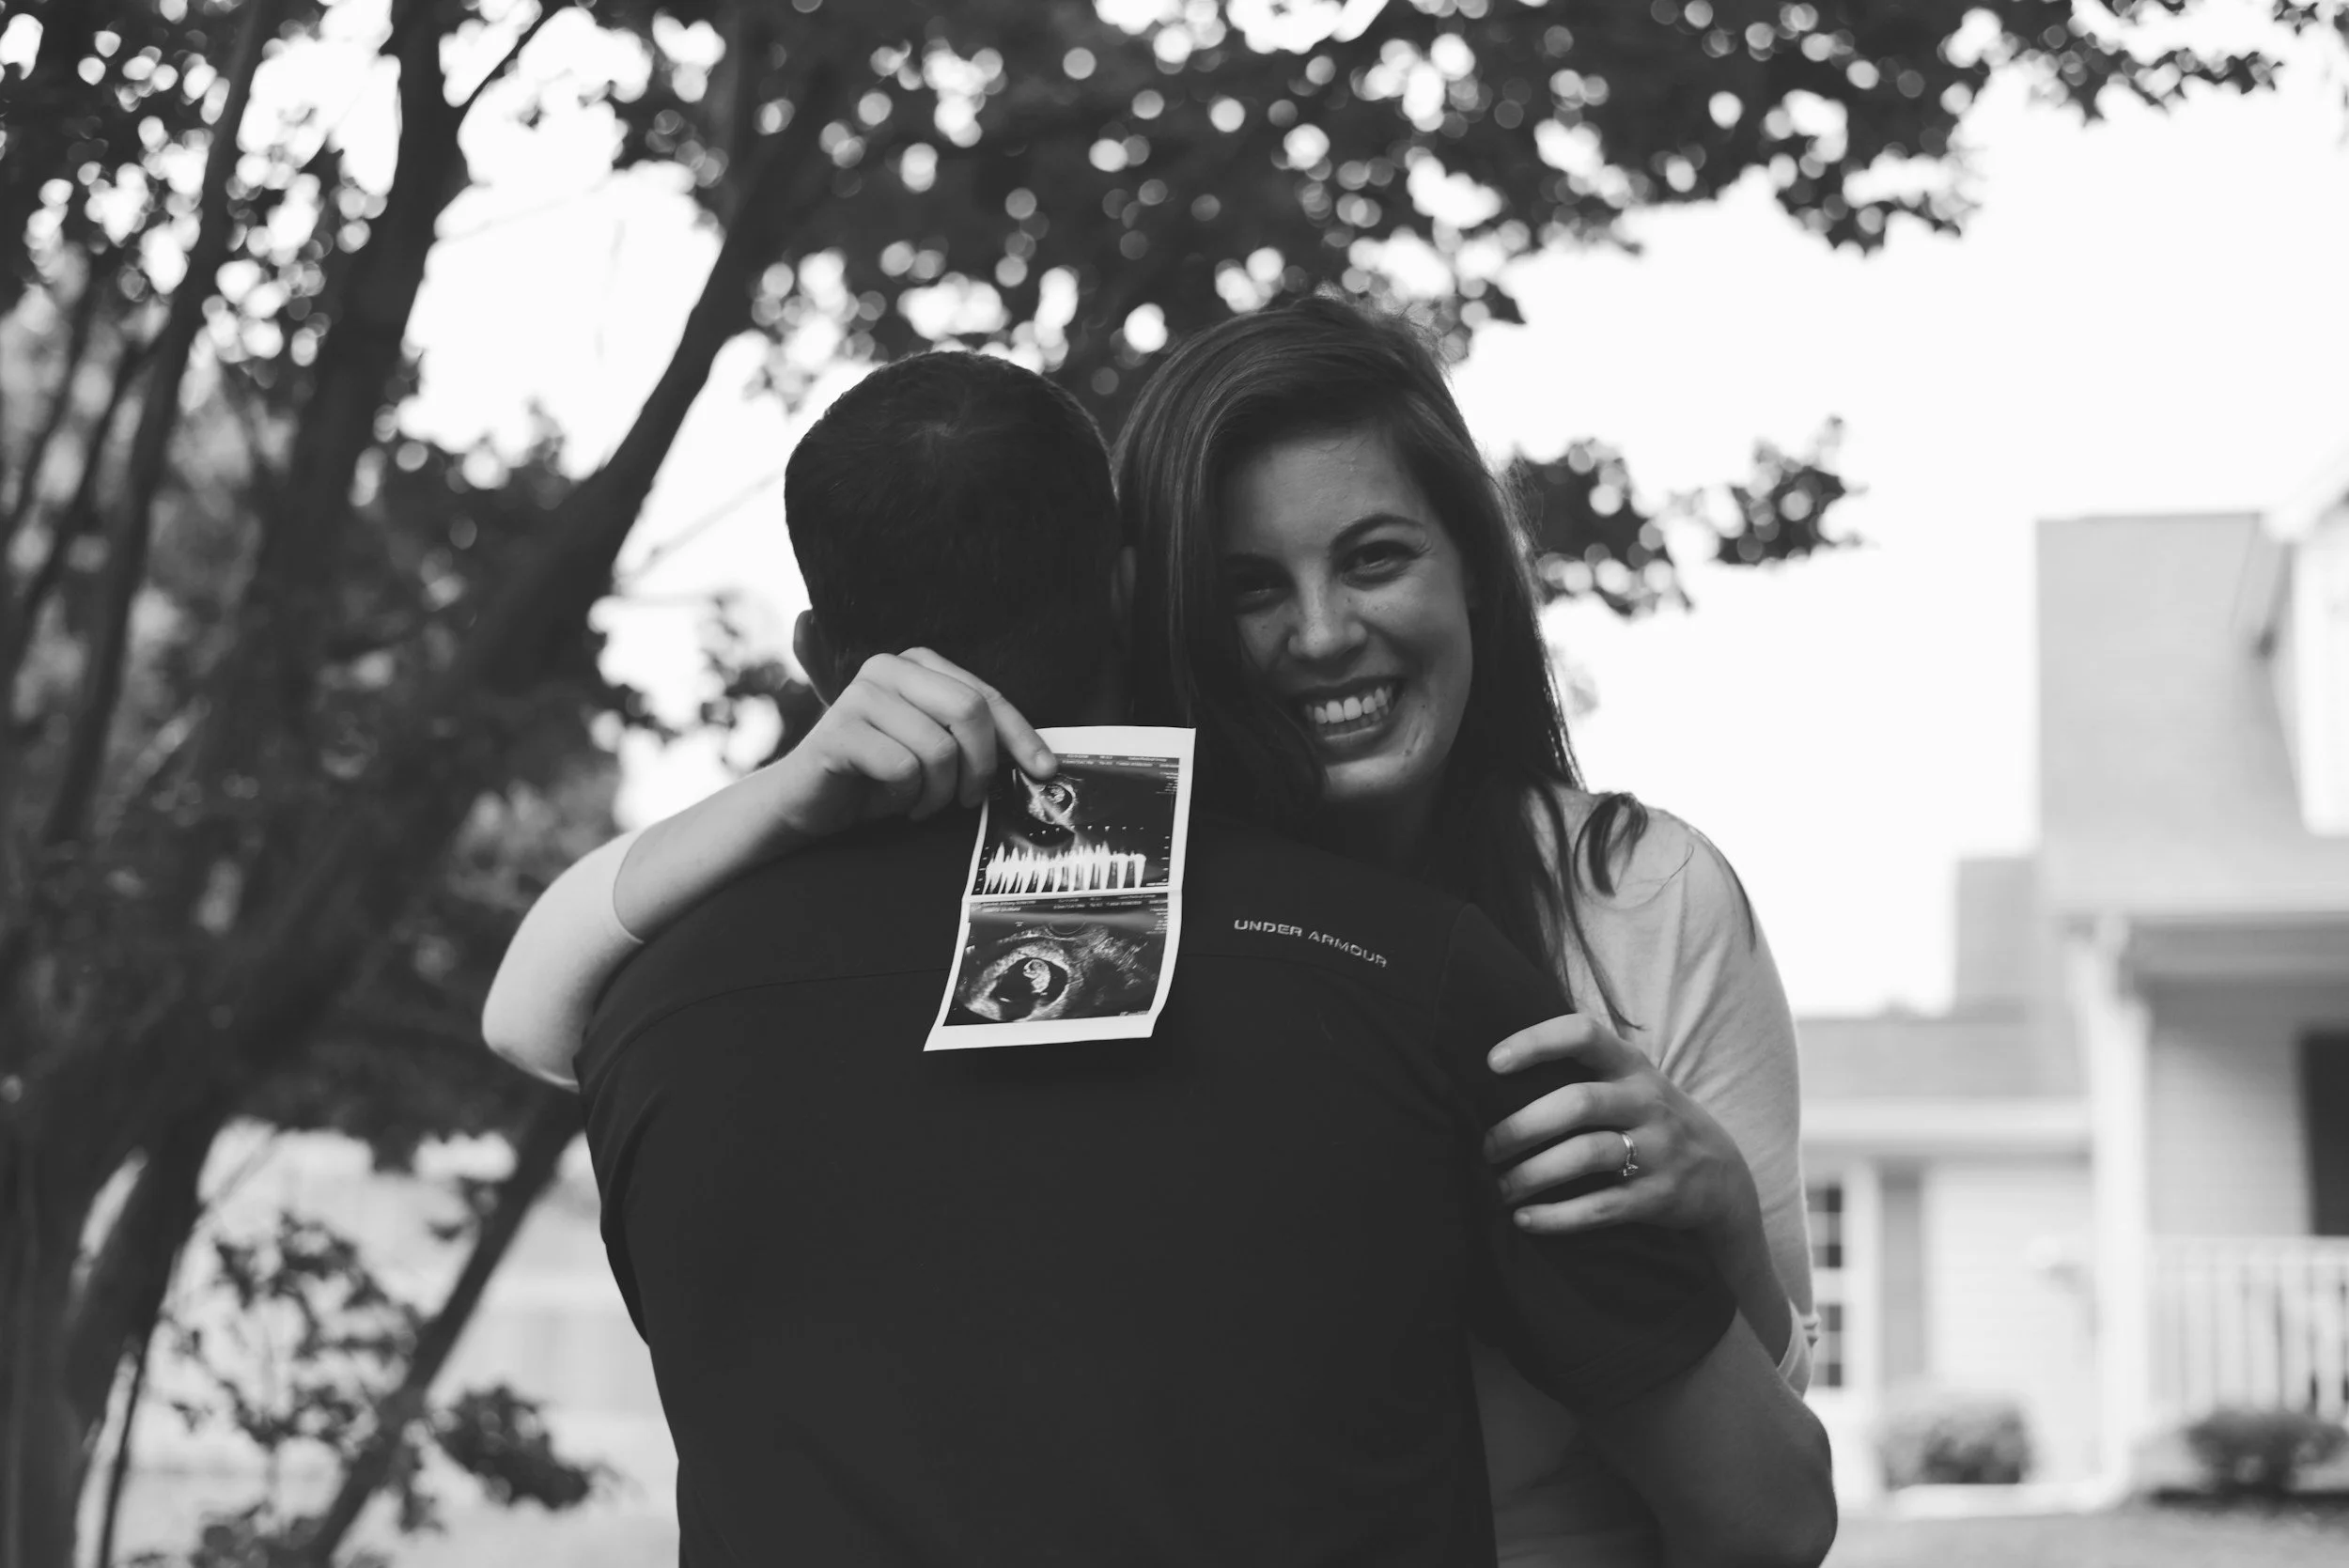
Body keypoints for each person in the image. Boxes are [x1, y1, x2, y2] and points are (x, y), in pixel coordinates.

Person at [487, 307, 1821, 1564]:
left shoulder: (1629, 900)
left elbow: (1760, 1493)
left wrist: (1721, 1225)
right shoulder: (1094, 888)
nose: (1322, 633)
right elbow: (540, 1006)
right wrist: (792, 788)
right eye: (1247, 586)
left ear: (1476, 566)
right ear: (1145, 597)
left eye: (1374, 557)